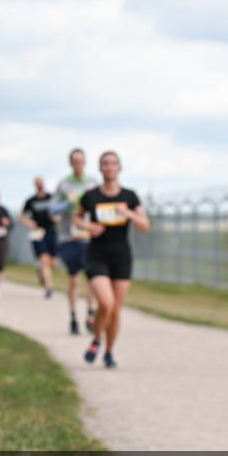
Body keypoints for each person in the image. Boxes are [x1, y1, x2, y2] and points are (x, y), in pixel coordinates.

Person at [75, 151, 150, 368]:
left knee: (115, 308)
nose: (109, 167)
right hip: (97, 255)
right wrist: (89, 226)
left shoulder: (129, 196)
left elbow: (145, 226)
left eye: (113, 163)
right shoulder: (91, 196)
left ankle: (108, 352)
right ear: (100, 168)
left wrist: (128, 213)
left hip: (121, 256)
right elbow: (77, 219)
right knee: (105, 303)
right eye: (105, 164)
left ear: (119, 168)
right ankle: (97, 339)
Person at [53, 148, 99, 334]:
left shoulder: (92, 182)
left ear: (85, 162)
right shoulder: (63, 185)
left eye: (81, 161)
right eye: (75, 161)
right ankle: (73, 317)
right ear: (70, 163)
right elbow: (53, 211)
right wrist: (67, 203)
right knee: (74, 280)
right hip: (69, 237)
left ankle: (90, 315)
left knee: (92, 279)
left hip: (88, 237)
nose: (78, 164)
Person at [21, 177, 58, 299]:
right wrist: (29, 223)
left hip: (51, 231)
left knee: (52, 262)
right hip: (37, 232)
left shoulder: (52, 198)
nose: (40, 185)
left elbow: (59, 212)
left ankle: (39, 270)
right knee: (44, 259)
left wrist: (57, 218)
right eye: (38, 183)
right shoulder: (31, 200)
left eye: (41, 183)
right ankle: (49, 289)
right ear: (35, 185)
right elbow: (22, 216)